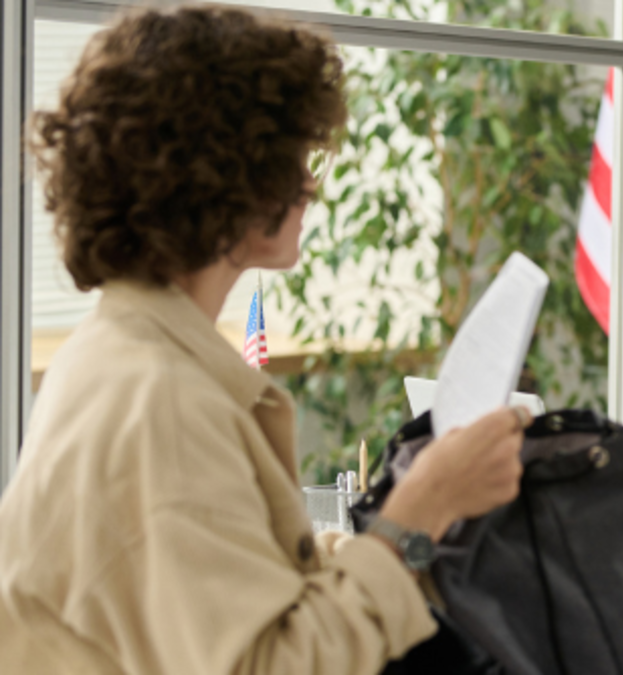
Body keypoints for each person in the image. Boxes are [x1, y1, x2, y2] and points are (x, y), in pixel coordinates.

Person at [0, 6, 529, 673]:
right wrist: (421, 509)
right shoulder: (160, 399)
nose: (308, 183)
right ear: (223, 179)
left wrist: (349, 548)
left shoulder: (124, 353)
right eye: (289, 159)